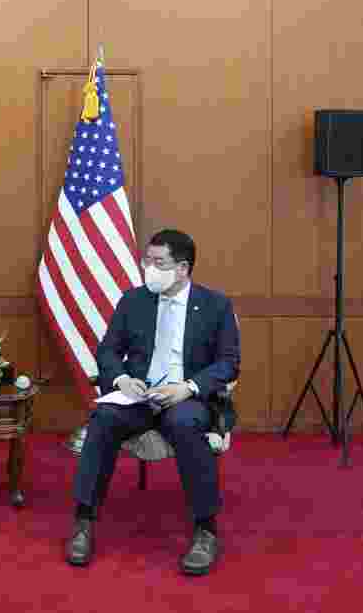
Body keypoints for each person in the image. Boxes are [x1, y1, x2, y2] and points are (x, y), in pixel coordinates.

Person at [66, 229, 240, 575]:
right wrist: (121, 379)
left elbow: (228, 362)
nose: (149, 268)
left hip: (184, 396)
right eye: (147, 260)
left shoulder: (216, 305)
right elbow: (109, 350)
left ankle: (206, 529)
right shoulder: (133, 300)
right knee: (103, 418)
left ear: (183, 268)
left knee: (184, 424)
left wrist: (189, 386)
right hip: (139, 395)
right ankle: (84, 521)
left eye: (158, 262)